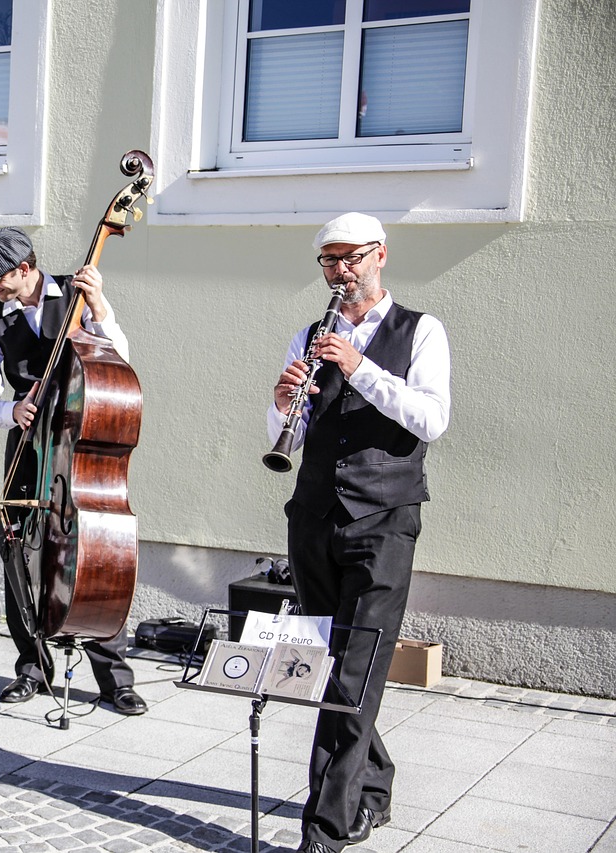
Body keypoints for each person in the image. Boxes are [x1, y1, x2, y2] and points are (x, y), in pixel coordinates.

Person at [268, 213, 451, 852]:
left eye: (349, 258)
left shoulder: (421, 330)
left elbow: (431, 419)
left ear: (379, 255)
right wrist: (281, 400)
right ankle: (374, 782)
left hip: (385, 521)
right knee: (327, 670)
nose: (338, 271)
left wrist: (359, 367)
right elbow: (281, 436)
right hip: (314, 517)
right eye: (327, 261)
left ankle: (326, 825)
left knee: (355, 671)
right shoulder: (309, 333)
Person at [0, 226, 147, 716]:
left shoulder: (78, 296)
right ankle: (32, 667)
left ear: (25, 268)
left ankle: (115, 679)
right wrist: (11, 412)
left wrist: (101, 308)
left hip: (78, 450)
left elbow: (120, 360)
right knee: (21, 561)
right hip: (26, 449)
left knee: (93, 557)